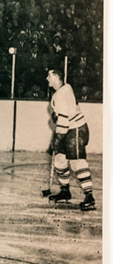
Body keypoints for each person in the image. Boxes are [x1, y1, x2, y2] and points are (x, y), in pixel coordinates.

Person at [46, 69, 96, 211]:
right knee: (60, 161)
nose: (47, 78)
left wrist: (56, 140)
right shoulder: (65, 87)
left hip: (75, 130)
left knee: (77, 163)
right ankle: (65, 191)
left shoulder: (61, 94)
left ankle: (89, 196)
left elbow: (63, 120)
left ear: (56, 77)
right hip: (69, 129)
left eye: (49, 76)